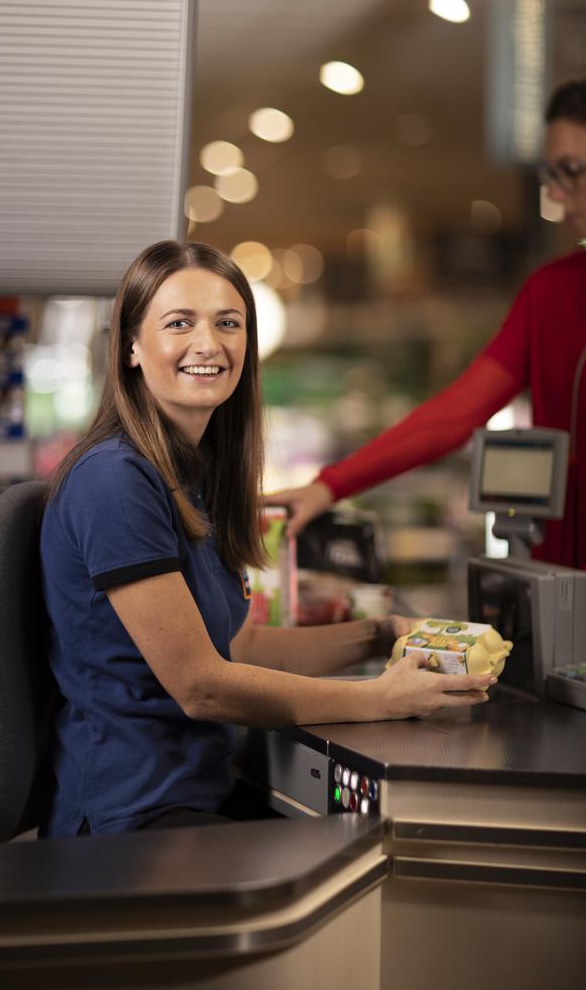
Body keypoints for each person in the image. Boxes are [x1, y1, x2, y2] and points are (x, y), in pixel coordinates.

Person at [39, 240, 495, 837]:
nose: (210, 343)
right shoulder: (114, 479)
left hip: (194, 792)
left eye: (228, 323)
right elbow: (202, 686)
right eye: (180, 323)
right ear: (130, 346)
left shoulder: (189, 474)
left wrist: (379, 635)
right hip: (127, 820)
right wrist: (381, 699)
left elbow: (240, 645)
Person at [266, 79, 586, 571]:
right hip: (559, 579)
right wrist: (331, 484)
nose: (559, 195)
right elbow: (457, 412)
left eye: (572, 172)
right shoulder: (550, 292)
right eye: (551, 174)